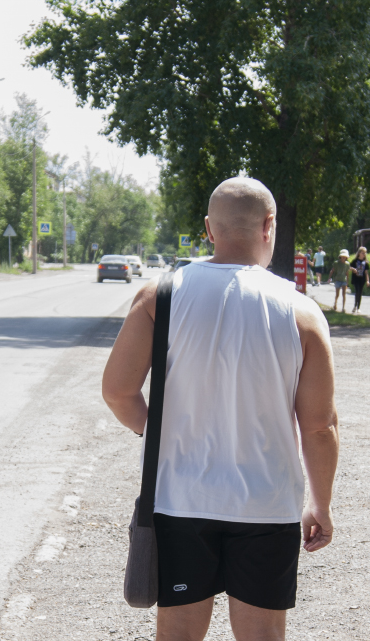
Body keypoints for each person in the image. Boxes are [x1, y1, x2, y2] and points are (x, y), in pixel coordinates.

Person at [102, 177, 339, 641]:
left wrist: (157, 432)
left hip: (180, 501)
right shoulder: (301, 312)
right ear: (269, 226)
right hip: (267, 505)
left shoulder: (159, 296)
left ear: (210, 229)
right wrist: (321, 505)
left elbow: (117, 392)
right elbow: (318, 426)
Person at [349, 247, 370, 314]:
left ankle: (358, 307)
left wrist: (368, 281)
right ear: (359, 253)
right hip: (356, 278)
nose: (364, 254)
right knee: (357, 291)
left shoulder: (365, 263)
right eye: (362, 253)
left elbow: (366, 272)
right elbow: (349, 267)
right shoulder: (354, 261)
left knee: (360, 292)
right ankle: (355, 306)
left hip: (362, 279)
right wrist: (353, 269)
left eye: (364, 253)